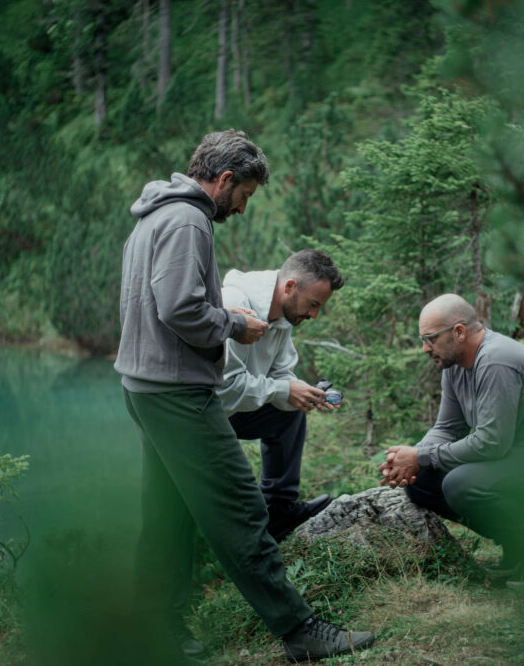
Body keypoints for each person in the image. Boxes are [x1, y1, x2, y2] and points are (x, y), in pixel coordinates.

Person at [115, 130, 374, 662]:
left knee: (166, 517)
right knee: (240, 509)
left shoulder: (154, 216)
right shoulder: (189, 220)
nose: (242, 207)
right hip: (177, 393)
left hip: (143, 387)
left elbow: (162, 303)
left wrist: (223, 321)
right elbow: (179, 309)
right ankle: (299, 630)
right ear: (226, 179)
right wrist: (233, 323)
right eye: (245, 195)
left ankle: (155, 629)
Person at [379, 293, 524, 585]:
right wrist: (411, 460)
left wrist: (420, 456)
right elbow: (447, 427)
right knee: (421, 483)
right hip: (514, 463)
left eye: (431, 339)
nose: (425, 348)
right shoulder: (454, 365)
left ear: (459, 332)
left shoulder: (496, 361)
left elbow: (491, 443)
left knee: (460, 484)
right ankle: (519, 545)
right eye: (423, 340)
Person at [217, 249, 345, 542]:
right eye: (313, 304)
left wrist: (304, 392)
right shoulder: (236, 306)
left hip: (232, 412)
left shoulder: (283, 317)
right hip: (202, 417)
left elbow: (281, 372)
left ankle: (278, 510)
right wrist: (285, 389)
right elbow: (224, 389)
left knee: (290, 408)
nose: (314, 315)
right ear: (290, 286)